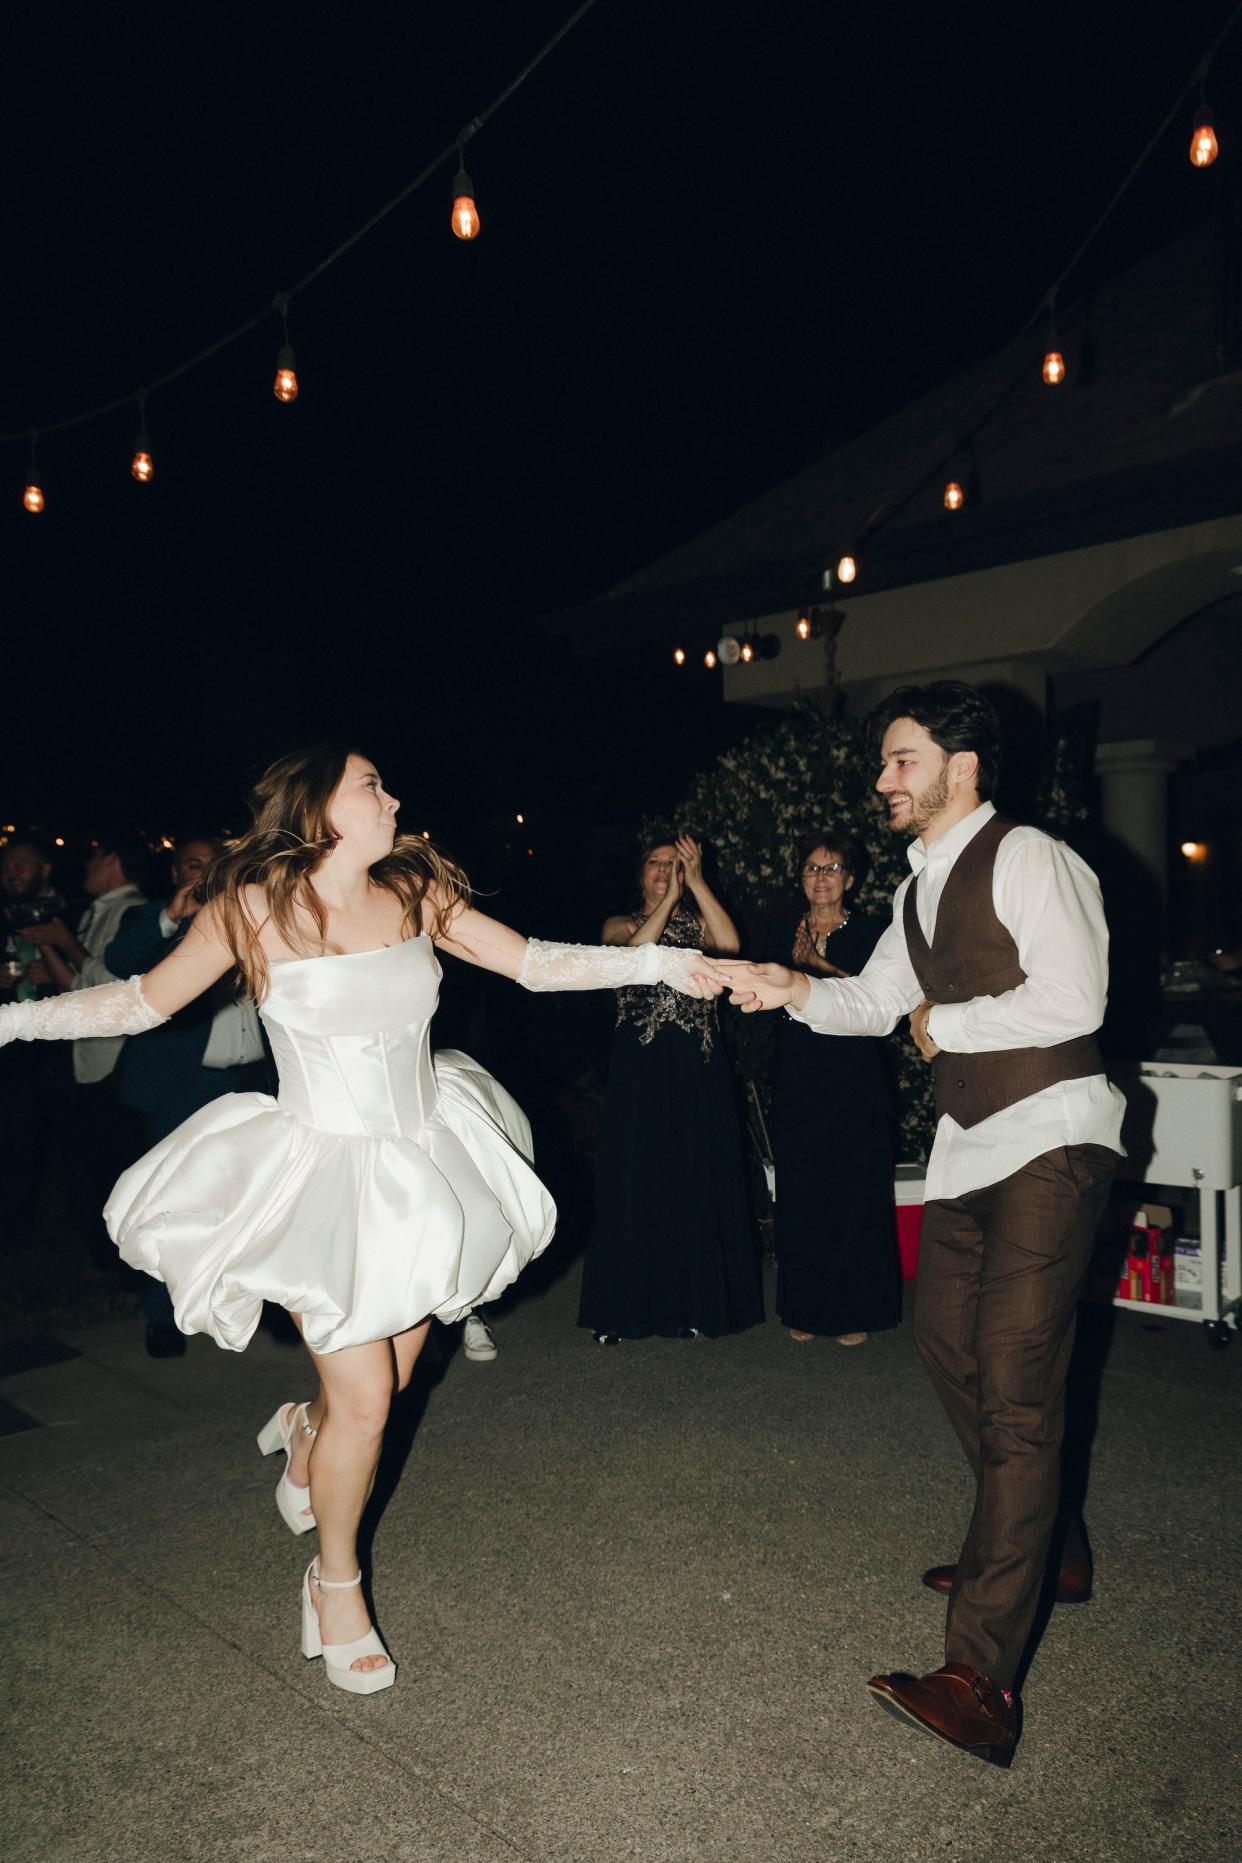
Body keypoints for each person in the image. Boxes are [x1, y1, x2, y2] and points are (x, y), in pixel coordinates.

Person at [0, 746, 721, 1696]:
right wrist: (12, 1021)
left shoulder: (415, 889)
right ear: (321, 808)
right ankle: (334, 1582)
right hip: (321, 1175)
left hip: (423, 1166)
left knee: (376, 1389)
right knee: (372, 1400)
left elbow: (535, 964)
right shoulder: (250, 907)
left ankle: (305, 1427)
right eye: (372, 784)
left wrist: (667, 960)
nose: (393, 797)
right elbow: (140, 1002)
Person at [714, 682, 1123, 1766]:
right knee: (947, 1350)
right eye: (887, 763)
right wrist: (788, 987)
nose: (885, 780)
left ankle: (979, 1680)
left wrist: (952, 1020)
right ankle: (1048, 1545)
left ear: (963, 767)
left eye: (903, 760)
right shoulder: (911, 891)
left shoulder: (1029, 858)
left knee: (1020, 1388)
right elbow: (868, 1004)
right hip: (969, 1151)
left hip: (1052, 1137)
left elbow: (1075, 1000)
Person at [579, 833, 762, 1343]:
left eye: (674, 863)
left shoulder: (698, 926)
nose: (665, 870)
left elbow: (730, 946)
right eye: (656, 863)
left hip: (696, 1068)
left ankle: (691, 1305)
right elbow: (633, 956)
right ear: (640, 873)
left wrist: (697, 884)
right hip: (639, 1069)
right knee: (634, 1176)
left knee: (694, 1175)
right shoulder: (621, 923)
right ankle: (619, 1312)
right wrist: (665, 903)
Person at [104, 834, 273, 1359]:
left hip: (254, 1081)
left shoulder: (256, 915)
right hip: (183, 1087)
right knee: (172, 1204)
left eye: (214, 864)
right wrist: (172, 915)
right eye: (192, 865)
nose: (203, 873)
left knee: (257, 1200)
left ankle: (251, 1305)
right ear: (176, 873)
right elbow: (120, 957)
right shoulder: (162, 924)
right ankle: (162, 1317)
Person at [764, 832, 900, 1347]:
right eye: (812, 870)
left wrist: (817, 967)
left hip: (853, 1075)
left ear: (850, 878)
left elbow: (876, 1002)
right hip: (800, 1070)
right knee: (803, 1191)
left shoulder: (873, 932)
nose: (821, 878)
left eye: (831, 868)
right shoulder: (782, 932)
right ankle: (805, 1307)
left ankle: (854, 1307)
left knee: (854, 1190)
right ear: (802, 879)